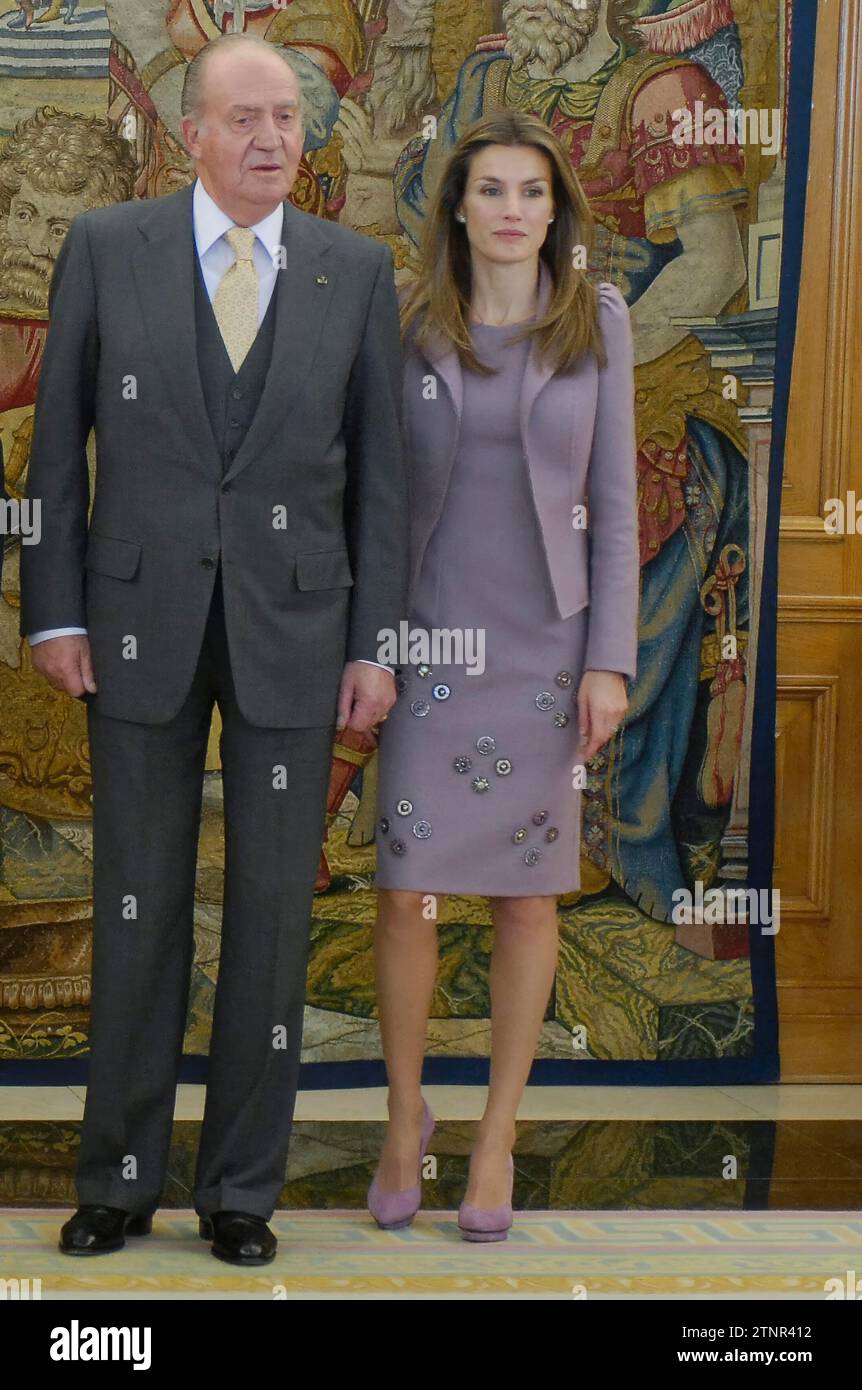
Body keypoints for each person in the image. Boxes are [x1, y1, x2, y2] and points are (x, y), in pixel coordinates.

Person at [20, 31, 407, 1265]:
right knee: (140, 910)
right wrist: (56, 608)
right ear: (190, 132)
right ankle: (121, 1179)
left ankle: (242, 1190)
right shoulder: (107, 248)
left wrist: (375, 643)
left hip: (300, 630)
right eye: (244, 117)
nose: (270, 138)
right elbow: (60, 445)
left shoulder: (357, 271)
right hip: (132, 627)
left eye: (287, 118)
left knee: (271, 922)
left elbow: (384, 488)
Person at [369, 111, 639, 1242]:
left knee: (530, 896)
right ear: (459, 209)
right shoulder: (410, 323)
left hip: (543, 647)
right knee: (404, 892)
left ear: (555, 212)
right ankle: (400, 1118)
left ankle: (495, 1134)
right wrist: (372, 647)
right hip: (430, 644)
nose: (513, 210)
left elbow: (617, 512)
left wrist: (609, 662)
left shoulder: (600, 324)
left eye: (532, 191)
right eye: (492, 190)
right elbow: (374, 504)